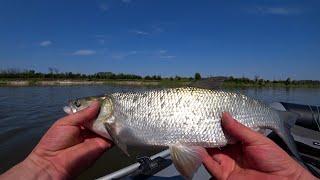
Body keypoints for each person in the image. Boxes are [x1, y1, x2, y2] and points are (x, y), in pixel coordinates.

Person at [0, 101, 315, 179]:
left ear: (101, 104)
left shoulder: (110, 109)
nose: (73, 110)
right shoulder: (111, 116)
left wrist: (40, 168)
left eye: (79, 106)